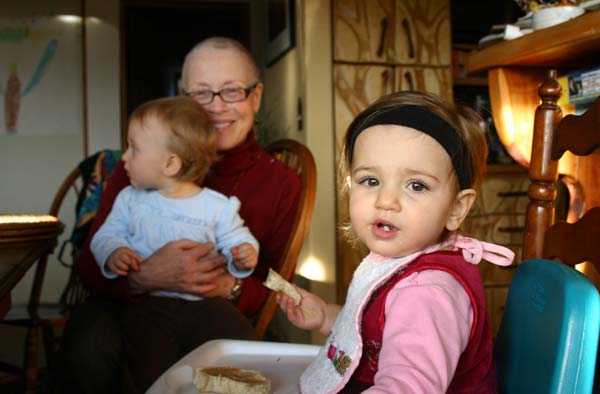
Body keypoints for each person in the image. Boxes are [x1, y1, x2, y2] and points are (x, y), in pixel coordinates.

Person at [58, 36, 301, 393]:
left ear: (256, 96)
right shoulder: (143, 168)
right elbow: (89, 266)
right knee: (91, 347)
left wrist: (228, 285)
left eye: (232, 90)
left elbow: (274, 285)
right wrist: (143, 277)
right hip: (126, 304)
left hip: (210, 314)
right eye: (201, 93)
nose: (216, 108)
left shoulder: (280, 182)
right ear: (182, 98)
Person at [277, 91, 514, 393]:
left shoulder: (427, 293)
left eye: (416, 185)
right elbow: (374, 333)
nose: (386, 201)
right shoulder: (400, 264)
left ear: (456, 209)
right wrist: (325, 314)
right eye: (370, 181)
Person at [91, 95, 259, 300]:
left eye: (134, 149)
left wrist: (244, 253)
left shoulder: (218, 207)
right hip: (143, 303)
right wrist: (113, 251)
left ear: (170, 164)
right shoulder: (129, 199)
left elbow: (237, 239)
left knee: (231, 329)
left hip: (203, 307)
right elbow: (105, 236)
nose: (124, 157)